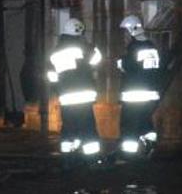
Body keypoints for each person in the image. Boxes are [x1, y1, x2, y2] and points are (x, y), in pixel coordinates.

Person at [47, 15, 102, 165]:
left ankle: (68, 158)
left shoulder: (55, 53)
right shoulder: (84, 49)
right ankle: (91, 159)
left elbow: (52, 77)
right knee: (88, 127)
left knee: (69, 126)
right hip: (85, 95)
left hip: (67, 97)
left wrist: (58, 90)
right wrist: (90, 46)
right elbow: (97, 59)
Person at [114, 14, 163, 159]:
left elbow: (129, 66)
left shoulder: (134, 47)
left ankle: (128, 153)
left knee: (129, 124)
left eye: (127, 31)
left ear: (132, 29)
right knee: (144, 120)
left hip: (135, 94)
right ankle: (150, 143)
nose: (126, 34)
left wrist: (121, 63)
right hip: (151, 94)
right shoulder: (151, 46)